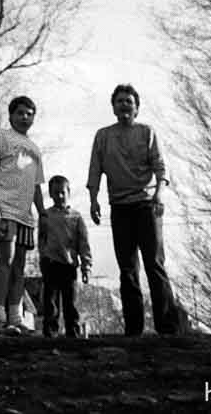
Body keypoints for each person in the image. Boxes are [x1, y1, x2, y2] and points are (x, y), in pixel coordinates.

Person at [86, 83, 180, 337]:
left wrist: (159, 194)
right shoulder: (103, 136)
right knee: (127, 269)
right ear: (113, 107)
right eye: (119, 101)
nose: (124, 105)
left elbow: (161, 167)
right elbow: (95, 170)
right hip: (119, 208)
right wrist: (93, 200)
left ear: (136, 107)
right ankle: (133, 329)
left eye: (129, 101)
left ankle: (167, 328)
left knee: (155, 265)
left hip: (146, 205)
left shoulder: (147, 132)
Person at [0, 95, 46, 333]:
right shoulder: (1, 138)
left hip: (25, 215)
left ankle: (15, 317)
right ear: (11, 115)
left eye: (29, 113)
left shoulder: (35, 149)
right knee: (5, 261)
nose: (24, 117)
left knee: (20, 265)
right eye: (20, 112)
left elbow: (37, 185)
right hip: (4, 208)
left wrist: (43, 213)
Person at [38, 175, 92, 338]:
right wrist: (42, 257)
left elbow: (84, 243)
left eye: (62, 192)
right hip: (50, 264)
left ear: (68, 192)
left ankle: (73, 332)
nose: (59, 196)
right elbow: (41, 238)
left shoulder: (76, 217)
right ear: (51, 194)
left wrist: (86, 266)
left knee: (70, 303)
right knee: (51, 302)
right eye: (55, 193)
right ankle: (50, 333)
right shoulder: (45, 216)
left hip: (69, 266)